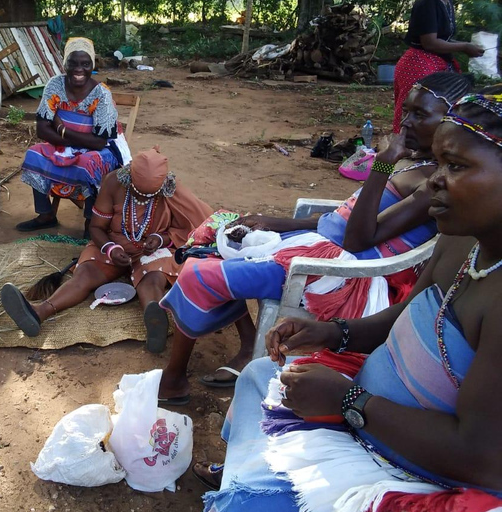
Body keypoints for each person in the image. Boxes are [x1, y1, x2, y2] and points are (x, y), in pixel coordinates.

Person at [193, 86, 502, 512]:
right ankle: (238, 470)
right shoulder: (461, 239)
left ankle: (244, 482)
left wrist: (349, 402)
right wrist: (334, 332)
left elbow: (483, 459)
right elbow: (405, 315)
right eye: (440, 161)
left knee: (245, 505)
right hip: (372, 413)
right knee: (258, 375)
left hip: (419, 469)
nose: (435, 178)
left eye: (456, 165)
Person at [158, 72, 471, 402]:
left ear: (451, 123)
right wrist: (277, 222)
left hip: (338, 273)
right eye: (406, 110)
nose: (405, 122)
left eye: (420, 115)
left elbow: (356, 239)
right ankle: (248, 343)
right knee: (220, 247)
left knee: (197, 274)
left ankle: (174, 379)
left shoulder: (432, 184)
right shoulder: (416, 162)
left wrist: (381, 163)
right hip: (320, 246)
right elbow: (344, 216)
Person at [1, 147, 212, 351]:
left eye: (151, 196)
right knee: (84, 276)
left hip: (152, 251)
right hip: (112, 244)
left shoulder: (170, 189)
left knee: (153, 277)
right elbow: (96, 227)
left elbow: (185, 228)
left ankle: (154, 317)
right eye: (139, 193)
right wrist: (110, 248)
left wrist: (159, 238)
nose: (145, 200)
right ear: (128, 177)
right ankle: (38, 313)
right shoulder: (113, 182)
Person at [15, 37, 131, 238]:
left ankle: (90, 222)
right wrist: (70, 139)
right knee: (34, 154)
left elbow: (99, 142)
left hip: (100, 150)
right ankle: (46, 215)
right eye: (73, 63)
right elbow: (42, 129)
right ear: (65, 64)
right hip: (67, 143)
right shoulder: (54, 85)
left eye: (85, 64)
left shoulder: (101, 94)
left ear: (92, 66)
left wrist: (62, 129)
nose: (79, 69)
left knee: (89, 163)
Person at [392, 0, 484, 132]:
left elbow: (444, 39)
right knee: (417, 115)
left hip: (437, 63)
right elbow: (430, 43)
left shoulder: (446, 3)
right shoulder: (427, 3)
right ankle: (406, 149)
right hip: (419, 65)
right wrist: (464, 47)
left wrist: (468, 47)